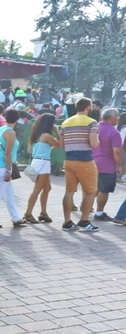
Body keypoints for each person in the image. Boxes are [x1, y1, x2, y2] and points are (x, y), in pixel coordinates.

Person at [60, 97, 100, 232]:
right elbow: (94, 143)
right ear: (88, 107)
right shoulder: (91, 122)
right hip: (84, 160)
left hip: (69, 160)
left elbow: (61, 144)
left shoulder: (66, 122)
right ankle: (84, 220)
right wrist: (98, 141)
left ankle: (67, 222)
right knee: (91, 191)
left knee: (69, 191)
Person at [0, 109, 27, 227]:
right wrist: (9, 171)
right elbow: (8, 153)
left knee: (9, 194)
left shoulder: (1, 130)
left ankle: (15, 218)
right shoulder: (10, 133)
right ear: (17, 119)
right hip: (4, 167)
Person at [23, 113, 60, 223]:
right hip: (43, 163)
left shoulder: (35, 134)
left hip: (36, 161)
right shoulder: (47, 136)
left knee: (47, 188)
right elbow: (60, 144)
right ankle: (28, 213)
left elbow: (29, 150)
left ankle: (43, 213)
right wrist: (57, 131)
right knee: (37, 190)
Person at [91, 108, 122, 221]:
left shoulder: (94, 128)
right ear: (111, 118)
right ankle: (99, 212)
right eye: (117, 116)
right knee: (104, 190)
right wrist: (119, 165)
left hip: (92, 161)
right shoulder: (114, 132)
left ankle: (86, 206)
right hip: (106, 164)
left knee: (93, 188)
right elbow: (117, 152)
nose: (118, 119)